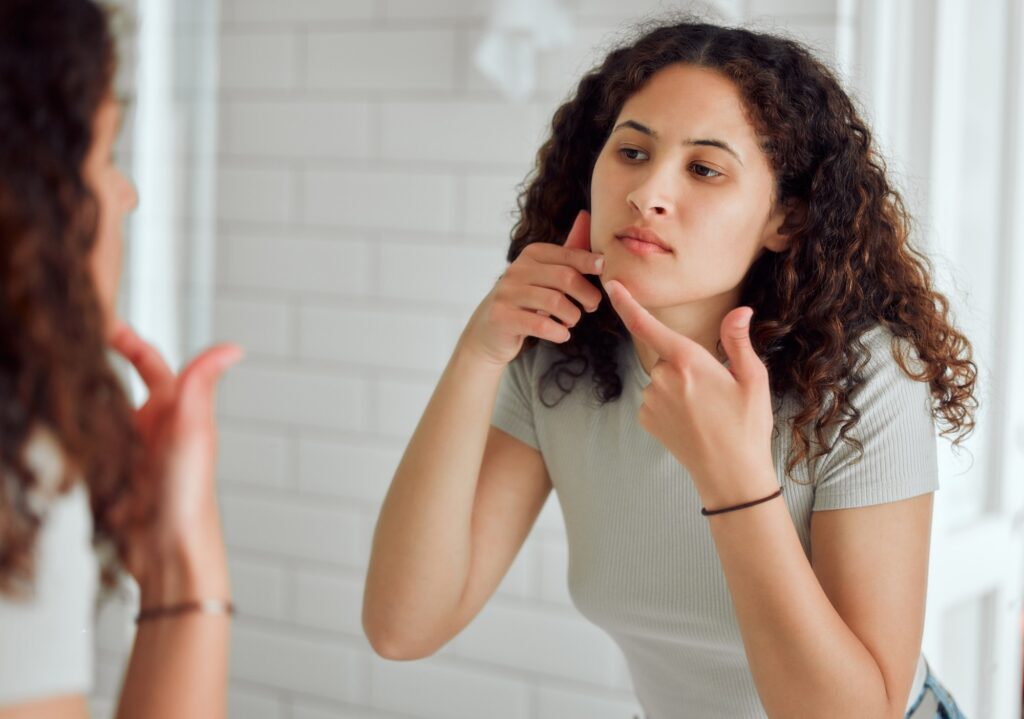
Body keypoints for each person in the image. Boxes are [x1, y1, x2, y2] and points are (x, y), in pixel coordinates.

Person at [363, 18, 977, 719]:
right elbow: (401, 627)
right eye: (631, 150)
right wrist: (478, 352)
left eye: (704, 168)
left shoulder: (863, 378)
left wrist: (734, 478)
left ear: (786, 219)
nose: (647, 191)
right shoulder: (560, 359)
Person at [0, 1, 240, 716]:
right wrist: (185, 558)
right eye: (106, 155)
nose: (128, 194)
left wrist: (171, 554)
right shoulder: (19, 474)